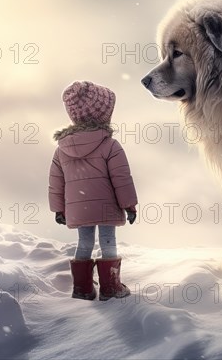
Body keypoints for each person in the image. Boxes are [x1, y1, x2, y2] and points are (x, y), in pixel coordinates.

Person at [48, 81, 138, 301]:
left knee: (85, 243)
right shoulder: (110, 145)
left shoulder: (62, 150)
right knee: (108, 241)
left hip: (79, 207)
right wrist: (129, 205)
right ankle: (110, 287)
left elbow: (55, 181)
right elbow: (121, 178)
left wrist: (58, 209)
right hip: (106, 206)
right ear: (102, 115)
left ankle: (83, 288)